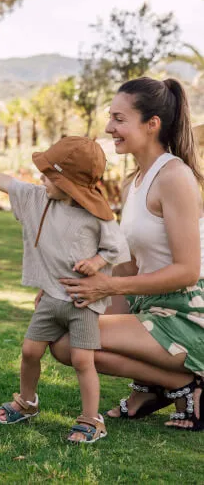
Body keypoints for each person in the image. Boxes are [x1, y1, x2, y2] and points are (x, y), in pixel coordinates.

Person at [52, 77, 204, 432]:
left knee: (67, 340)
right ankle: (168, 385)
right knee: (61, 333)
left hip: (190, 313)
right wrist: (79, 298)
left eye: (119, 119)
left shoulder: (174, 177)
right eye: (111, 118)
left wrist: (105, 290)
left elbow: (188, 271)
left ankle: (184, 386)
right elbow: (127, 266)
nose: (109, 128)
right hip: (152, 306)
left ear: (152, 125)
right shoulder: (133, 181)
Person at [0, 136, 130, 443]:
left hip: (82, 302)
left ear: (68, 182)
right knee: (29, 350)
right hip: (51, 297)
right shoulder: (40, 199)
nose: (41, 179)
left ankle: (92, 419)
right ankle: (27, 402)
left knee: (81, 360)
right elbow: (9, 184)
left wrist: (96, 261)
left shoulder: (97, 214)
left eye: (50, 175)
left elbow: (116, 246)